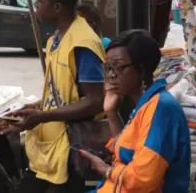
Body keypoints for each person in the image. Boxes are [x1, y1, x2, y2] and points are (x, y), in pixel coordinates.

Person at [0, 0, 106, 193]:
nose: (36, 6)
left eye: (40, 1)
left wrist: (42, 116)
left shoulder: (83, 43)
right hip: (49, 149)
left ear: (57, 7)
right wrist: (36, 107)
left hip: (71, 151)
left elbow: (96, 102)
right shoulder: (55, 39)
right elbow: (64, 94)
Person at [81, 30, 190, 193]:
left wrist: (105, 170)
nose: (111, 75)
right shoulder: (145, 105)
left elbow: (142, 180)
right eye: (108, 68)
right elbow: (128, 156)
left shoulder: (161, 109)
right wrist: (111, 113)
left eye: (118, 67)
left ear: (141, 69)